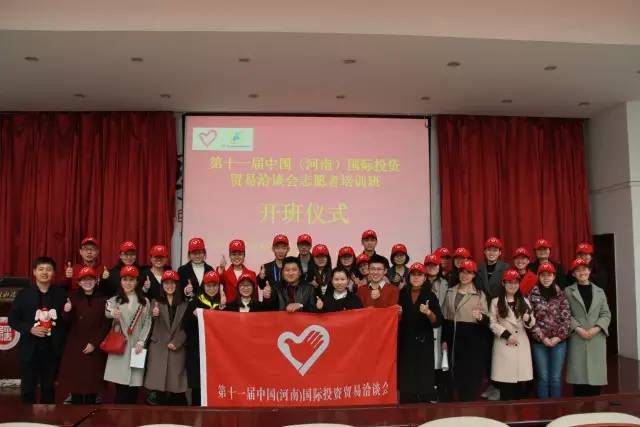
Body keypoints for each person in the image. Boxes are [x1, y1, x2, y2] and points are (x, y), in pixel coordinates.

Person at [9, 256, 66, 403]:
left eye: (48, 269)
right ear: (34, 272)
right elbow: (13, 320)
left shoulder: (61, 294)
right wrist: (30, 329)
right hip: (29, 348)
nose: (44, 272)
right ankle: (27, 416)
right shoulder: (23, 295)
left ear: (54, 273)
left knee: (48, 388)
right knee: (28, 389)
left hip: (52, 349)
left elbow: (67, 322)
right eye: (41, 269)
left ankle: (48, 416)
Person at [58, 267, 110, 404]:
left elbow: (106, 325)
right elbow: (66, 321)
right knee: (77, 385)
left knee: (92, 386)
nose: (87, 282)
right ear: (79, 282)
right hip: (76, 346)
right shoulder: (72, 297)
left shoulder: (104, 299)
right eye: (84, 280)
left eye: (90, 279)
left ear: (96, 281)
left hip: (95, 346)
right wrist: (67, 311)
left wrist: (94, 343)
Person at [441, 259, 489, 401]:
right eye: (462, 272)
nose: (465, 275)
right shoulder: (450, 291)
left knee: (469, 376)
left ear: (474, 275)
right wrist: (444, 340)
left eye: (469, 273)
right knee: (452, 374)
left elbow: (488, 319)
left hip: (472, 341)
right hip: (453, 339)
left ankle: (467, 405)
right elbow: (445, 318)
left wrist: (480, 317)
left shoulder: (479, 294)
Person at [104, 265, 152, 404]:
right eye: (125, 279)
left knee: (134, 387)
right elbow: (107, 311)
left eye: (131, 280)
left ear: (137, 282)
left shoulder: (144, 301)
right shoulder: (114, 300)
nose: (128, 283)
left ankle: (131, 415)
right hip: (120, 347)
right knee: (120, 388)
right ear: (121, 281)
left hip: (137, 348)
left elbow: (147, 323)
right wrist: (112, 313)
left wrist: (141, 341)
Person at [397, 262, 444, 403]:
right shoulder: (402, 293)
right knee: (406, 376)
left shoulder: (430, 295)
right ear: (409, 277)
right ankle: (407, 402)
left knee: (424, 375)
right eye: (413, 275)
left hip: (424, 343)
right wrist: (398, 314)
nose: (416, 278)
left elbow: (438, 321)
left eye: (420, 275)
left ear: (425, 277)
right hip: (405, 342)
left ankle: (425, 404)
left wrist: (428, 312)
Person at [565, 258, 612, 397]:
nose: (582, 272)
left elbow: (606, 314)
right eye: (578, 270)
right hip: (577, 336)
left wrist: (596, 328)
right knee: (579, 379)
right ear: (573, 274)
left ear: (590, 271)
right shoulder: (568, 291)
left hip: (596, 338)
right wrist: (578, 328)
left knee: (596, 381)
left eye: (585, 269)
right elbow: (565, 314)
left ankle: (595, 408)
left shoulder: (599, 292)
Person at [489, 269, 535, 401]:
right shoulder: (495, 302)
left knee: (519, 384)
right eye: (509, 282)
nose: (512, 285)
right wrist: (506, 335)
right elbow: (492, 323)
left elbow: (532, 322)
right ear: (503, 283)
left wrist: (528, 319)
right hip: (504, 344)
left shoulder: (524, 301)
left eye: (515, 282)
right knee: (505, 385)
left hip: (521, 344)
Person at [144, 270, 188, 405]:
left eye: (172, 283)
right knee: (158, 392)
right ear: (162, 285)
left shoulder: (184, 304)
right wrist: (154, 314)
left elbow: (187, 327)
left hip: (177, 349)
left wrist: (177, 341)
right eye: (166, 283)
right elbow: (149, 320)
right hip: (158, 348)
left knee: (177, 390)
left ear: (177, 285)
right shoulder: (155, 302)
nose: (169, 286)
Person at [528, 261, 571, 399]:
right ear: (538, 276)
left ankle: (555, 409)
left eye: (549, 275)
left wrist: (558, 338)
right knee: (543, 377)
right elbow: (529, 320)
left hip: (559, 343)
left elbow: (566, 319)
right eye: (543, 275)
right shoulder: (532, 294)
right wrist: (543, 338)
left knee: (555, 377)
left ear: (554, 276)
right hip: (539, 343)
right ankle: (543, 408)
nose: (546, 278)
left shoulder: (561, 294)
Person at [184, 270, 225, 405]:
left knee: (217, 383)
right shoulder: (195, 302)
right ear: (203, 286)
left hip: (218, 352)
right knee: (198, 386)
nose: (211, 289)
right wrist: (193, 316)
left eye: (214, 286)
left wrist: (224, 309)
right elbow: (185, 326)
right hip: (198, 351)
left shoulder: (223, 303)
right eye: (208, 286)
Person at [477, 237, 509, 401]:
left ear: (500, 252)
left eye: (495, 250)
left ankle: (500, 387)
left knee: (500, 353)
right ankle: (492, 385)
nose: (491, 253)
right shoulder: (479, 268)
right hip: (483, 315)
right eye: (489, 249)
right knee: (487, 353)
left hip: (499, 313)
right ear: (484, 251)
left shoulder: (506, 268)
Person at [424, 253, 450, 401]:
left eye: (435, 265)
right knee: (427, 359)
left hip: (441, 325)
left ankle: (440, 392)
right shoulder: (420, 282)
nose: (432, 268)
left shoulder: (446, 283)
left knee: (440, 359)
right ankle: (428, 391)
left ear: (439, 267)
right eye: (429, 265)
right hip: (424, 324)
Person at [218, 239, 256, 304]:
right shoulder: (224, 274)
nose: (237, 257)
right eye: (233, 254)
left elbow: (255, 297)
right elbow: (215, 283)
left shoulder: (252, 274)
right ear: (229, 256)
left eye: (240, 254)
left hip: (247, 309)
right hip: (230, 308)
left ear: (244, 255)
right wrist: (221, 269)